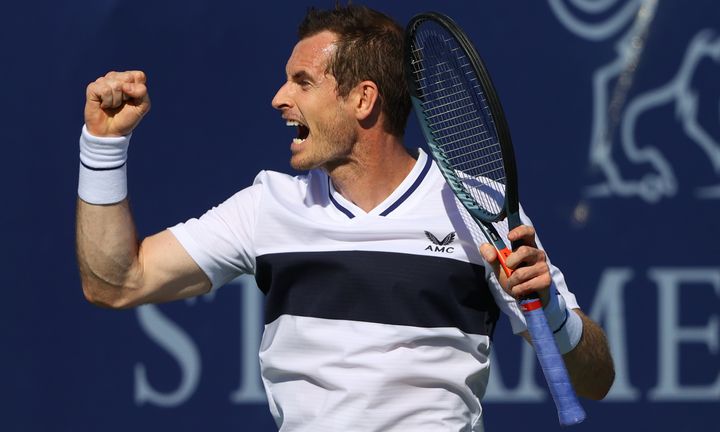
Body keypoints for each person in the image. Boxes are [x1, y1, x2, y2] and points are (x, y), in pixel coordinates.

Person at [76, 4, 614, 431]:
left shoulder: (480, 208)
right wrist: (104, 145)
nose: (278, 97)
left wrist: (554, 315)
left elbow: (595, 378)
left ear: (363, 99)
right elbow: (116, 282)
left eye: (302, 81)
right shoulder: (269, 205)